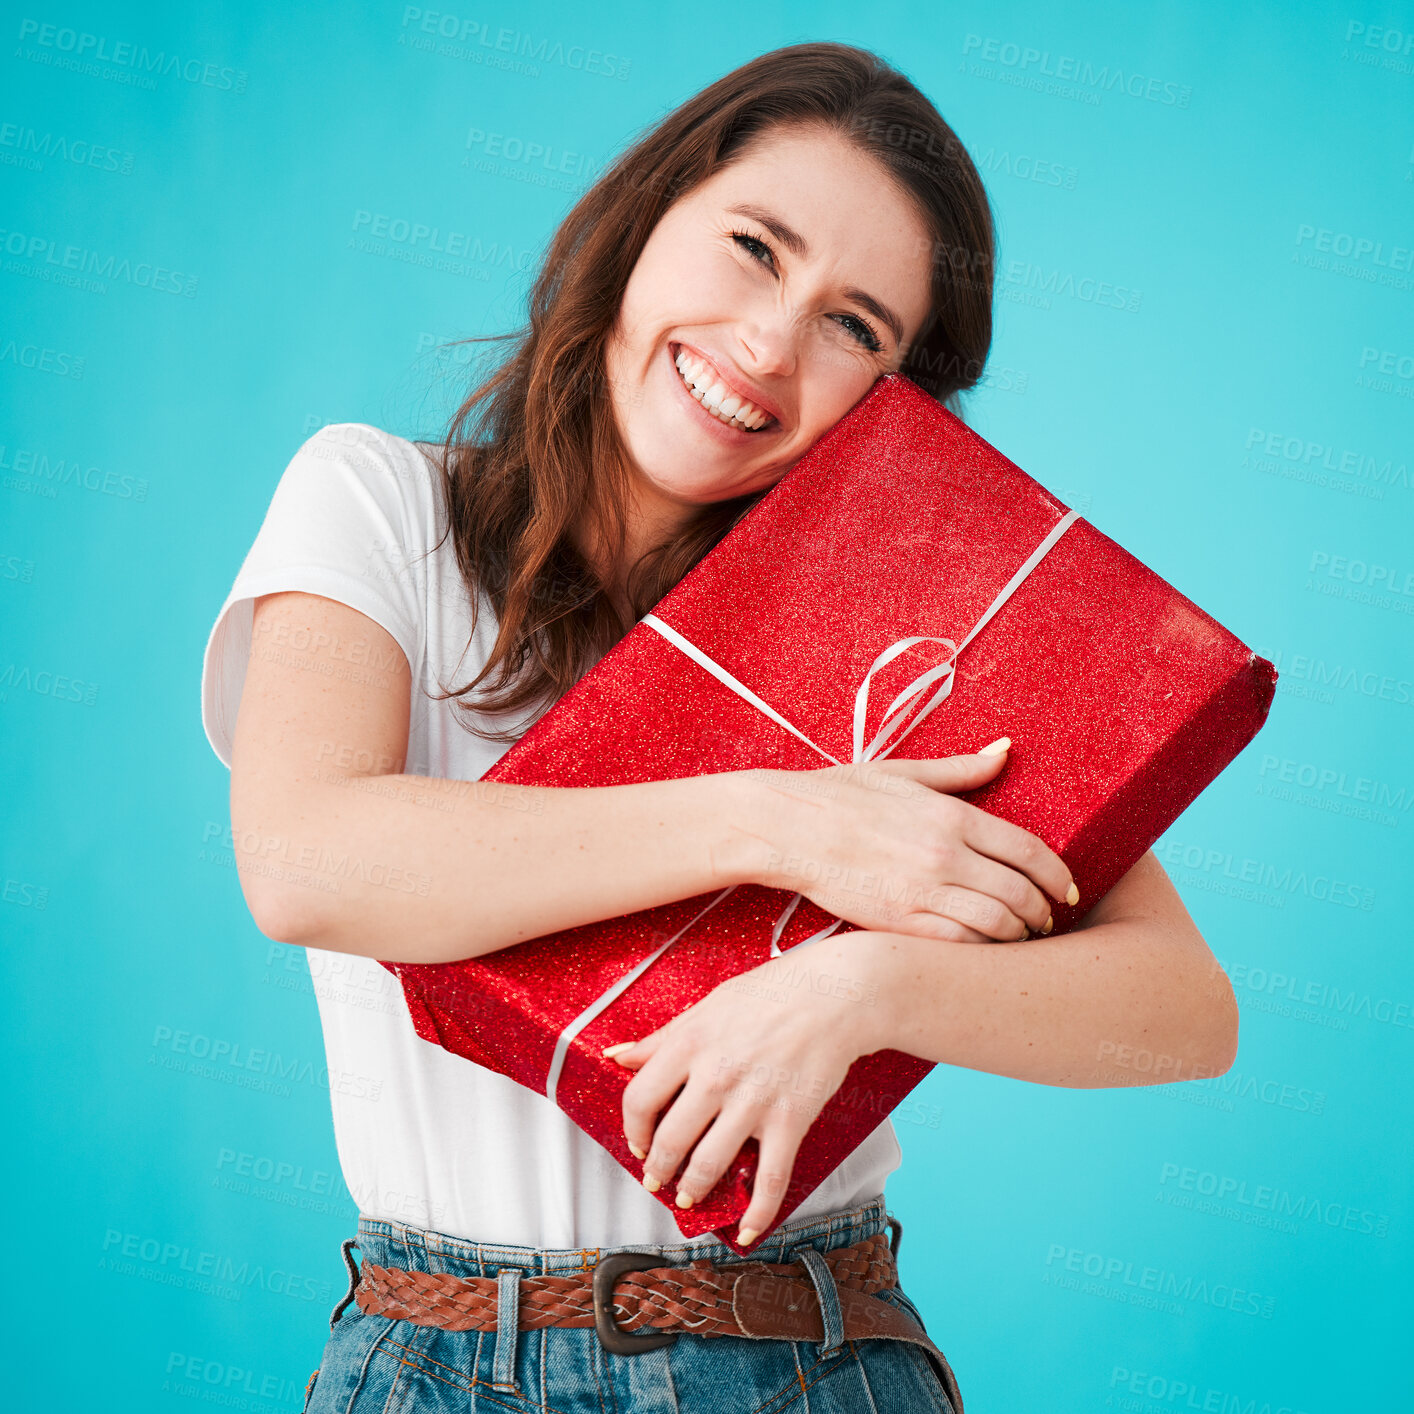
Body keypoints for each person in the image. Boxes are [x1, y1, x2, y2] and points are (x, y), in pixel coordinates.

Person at [201, 41, 1237, 1414]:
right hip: (432, 1356)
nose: (766, 346)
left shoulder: (901, 640)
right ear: (642, 223)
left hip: (805, 1354)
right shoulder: (378, 506)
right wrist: (786, 815)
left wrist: (868, 987)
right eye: (752, 248)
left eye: (853, 326)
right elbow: (306, 860)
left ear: (898, 401)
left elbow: (1181, 1011)